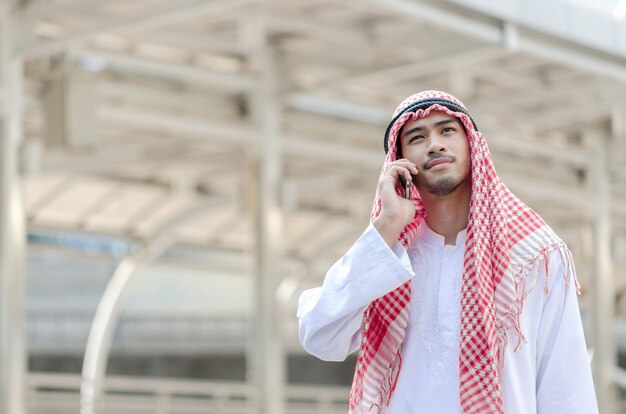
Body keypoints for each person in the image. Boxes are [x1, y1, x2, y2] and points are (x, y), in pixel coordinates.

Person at [296, 91, 598, 414]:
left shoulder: (535, 255)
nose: (434, 144)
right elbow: (319, 333)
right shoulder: (387, 257)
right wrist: (387, 225)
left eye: (447, 130)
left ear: (473, 144)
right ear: (400, 161)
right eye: (417, 136)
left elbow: (567, 392)